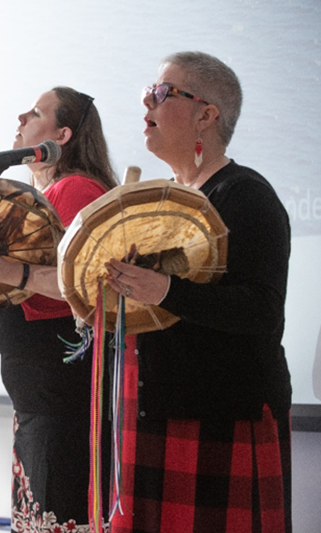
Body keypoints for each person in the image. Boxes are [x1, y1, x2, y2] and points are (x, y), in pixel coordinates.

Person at [104, 52, 292, 532]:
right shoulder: (164, 197)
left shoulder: (245, 194)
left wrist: (164, 289)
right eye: (149, 89)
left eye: (164, 92)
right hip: (154, 412)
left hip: (220, 416)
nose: (147, 98)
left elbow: (261, 310)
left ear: (207, 115)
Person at [0, 87, 117, 530]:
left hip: (60, 403)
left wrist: (1, 270)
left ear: (62, 135)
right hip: (41, 403)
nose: (21, 116)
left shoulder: (75, 187)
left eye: (37, 112)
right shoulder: (52, 191)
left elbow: (81, 282)